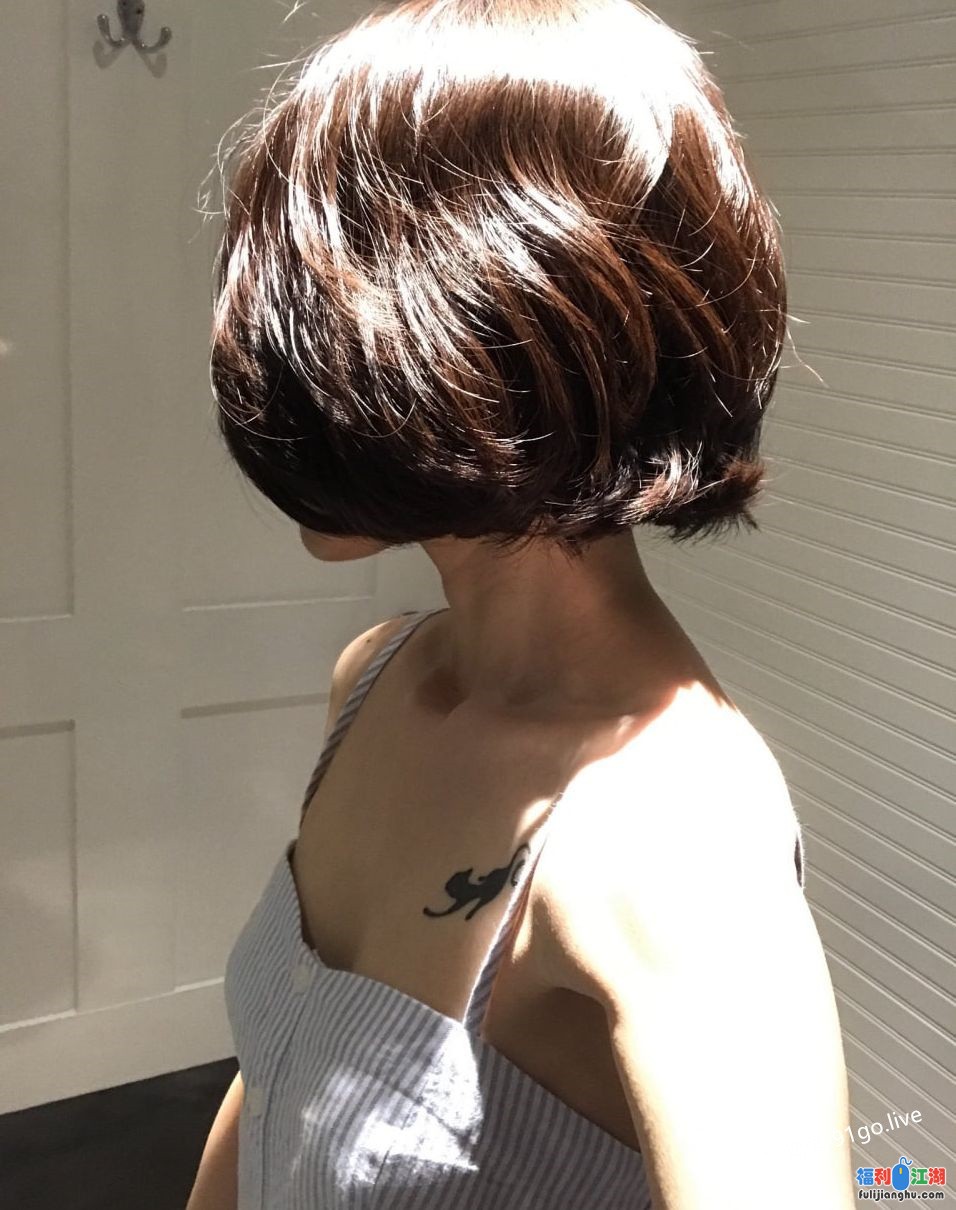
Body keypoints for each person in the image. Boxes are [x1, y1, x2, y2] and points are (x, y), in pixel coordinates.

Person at [188, 0, 856, 1206]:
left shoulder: (661, 831)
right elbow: (283, 1072)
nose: (268, 385)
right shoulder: (377, 676)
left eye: (314, 327)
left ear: (483, 338)